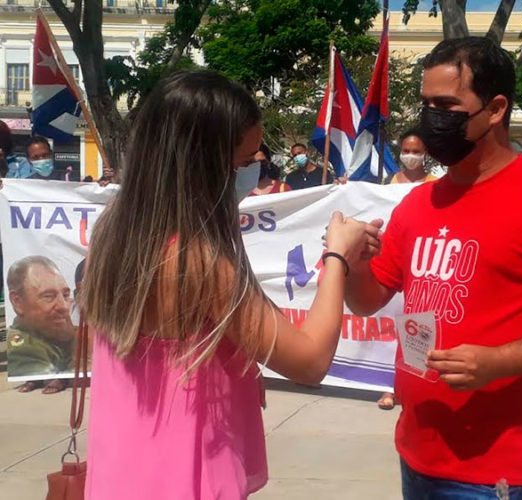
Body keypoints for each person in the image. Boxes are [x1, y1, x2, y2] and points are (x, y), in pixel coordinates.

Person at [341, 37, 522, 499]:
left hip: (496, 470)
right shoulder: (418, 203)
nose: (431, 118)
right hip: (417, 451)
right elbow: (367, 300)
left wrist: (498, 362)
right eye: (426, 104)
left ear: (495, 109)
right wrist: (354, 263)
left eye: (447, 105)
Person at [79, 70, 380, 500]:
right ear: (201, 160)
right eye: (241, 163)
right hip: (188, 475)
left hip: (122, 471)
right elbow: (309, 362)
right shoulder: (195, 259)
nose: (251, 173)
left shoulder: (114, 231)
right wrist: (338, 258)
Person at [377, 130, 439, 411]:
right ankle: (388, 388)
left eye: (415, 151)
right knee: (388, 330)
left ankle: (412, 386)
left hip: (422, 267)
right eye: (405, 150)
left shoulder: (434, 185)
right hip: (393, 262)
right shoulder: (387, 186)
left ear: (425, 154)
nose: (409, 156)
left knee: (416, 328)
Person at [7, 256, 76, 393]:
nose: (64, 306)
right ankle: (37, 378)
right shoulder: (21, 347)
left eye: (66, 295)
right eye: (48, 296)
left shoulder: (60, 331)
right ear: (17, 302)